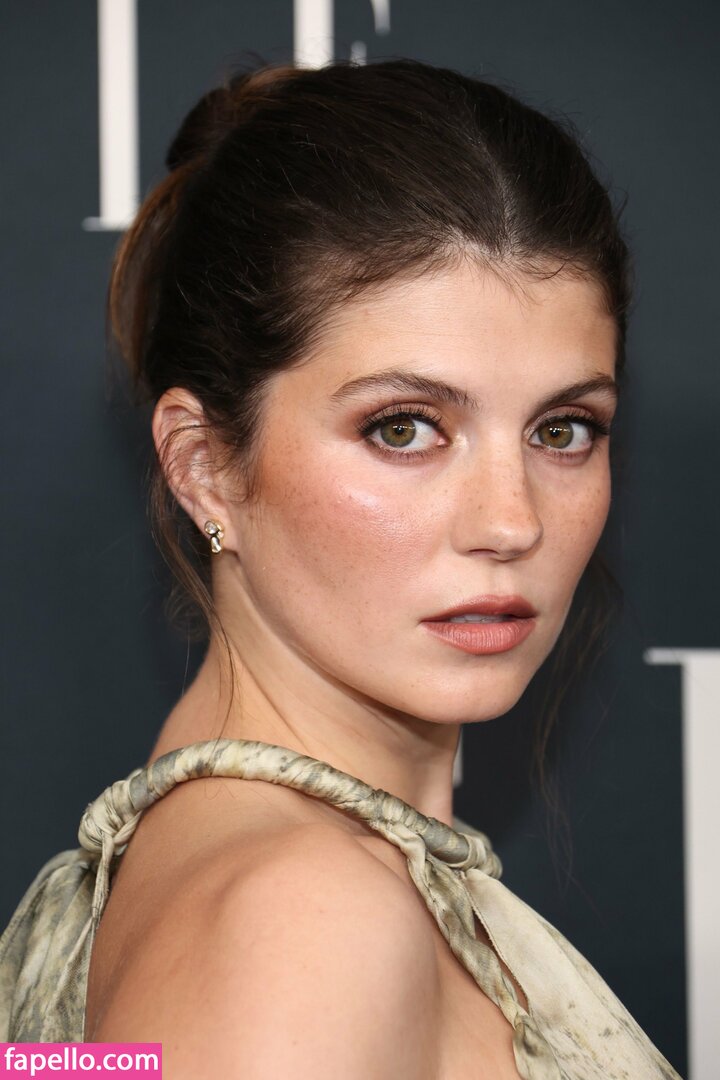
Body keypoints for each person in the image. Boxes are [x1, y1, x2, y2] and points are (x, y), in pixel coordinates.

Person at [0, 58, 682, 1079]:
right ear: (205, 467)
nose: (512, 522)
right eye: (403, 428)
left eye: (564, 429)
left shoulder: (211, 868)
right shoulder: (305, 921)